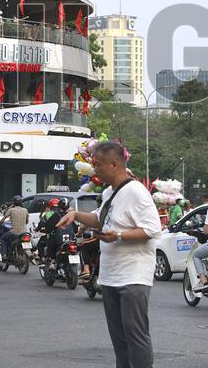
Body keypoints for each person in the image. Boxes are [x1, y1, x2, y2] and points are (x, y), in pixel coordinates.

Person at [57, 140, 162, 368]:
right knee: (119, 340)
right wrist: (75, 215)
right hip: (111, 276)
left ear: (114, 164)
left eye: (98, 164)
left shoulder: (136, 192)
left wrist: (119, 237)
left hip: (133, 277)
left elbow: (153, 229)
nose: (94, 169)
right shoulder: (109, 192)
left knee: (135, 336)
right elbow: (99, 218)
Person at [0, 195, 29, 261]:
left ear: (14, 203)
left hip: (14, 232)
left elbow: (3, 219)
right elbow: (26, 221)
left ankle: (4, 255)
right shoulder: (25, 210)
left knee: (3, 239)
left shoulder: (11, 210)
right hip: (24, 232)